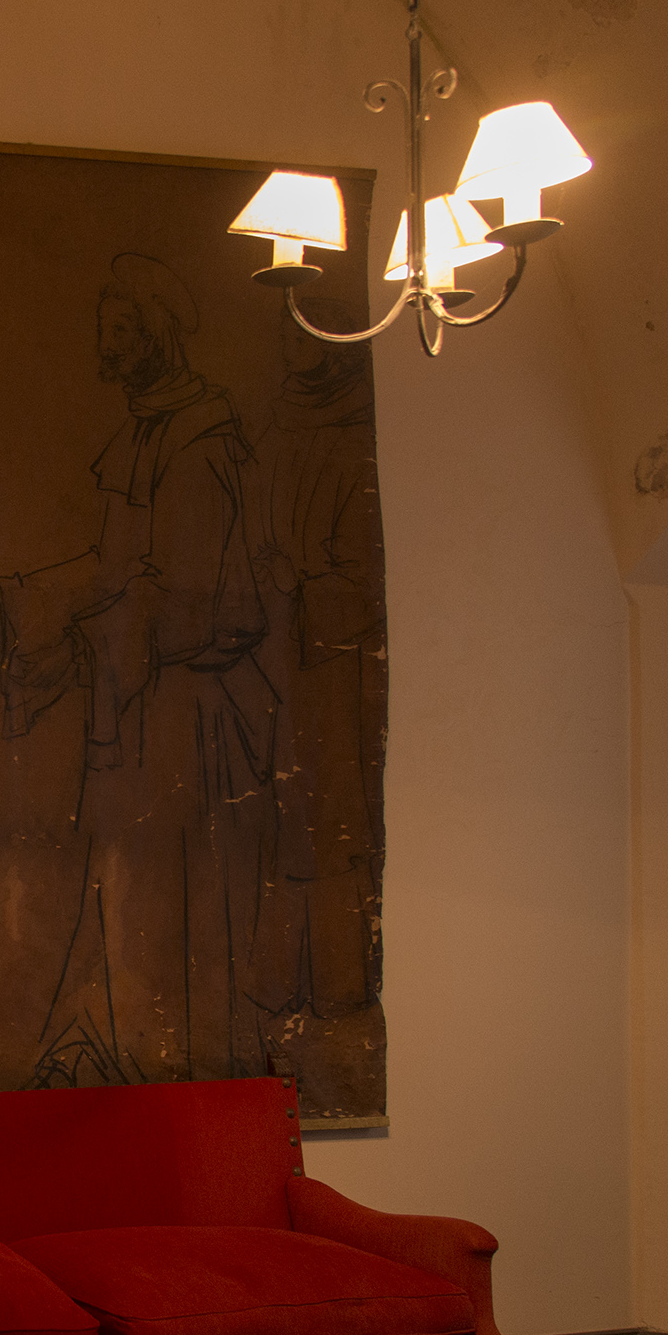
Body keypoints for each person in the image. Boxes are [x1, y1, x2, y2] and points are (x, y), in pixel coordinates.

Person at [0, 253, 277, 1085]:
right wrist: (21, 592)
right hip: (135, 697)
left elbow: (180, 594)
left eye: (122, 330)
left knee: (167, 893)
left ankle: (174, 1073)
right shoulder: (144, 432)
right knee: (121, 885)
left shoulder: (195, 442)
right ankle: (122, 1054)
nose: (108, 347)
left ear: (157, 334)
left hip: (179, 708)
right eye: (102, 331)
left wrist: (75, 641)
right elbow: (113, 565)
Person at [248, 305, 384, 1025]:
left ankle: (336, 987)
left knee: (328, 832)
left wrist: (295, 585)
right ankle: (278, 986)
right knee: (277, 829)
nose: (288, 343)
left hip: (325, 669)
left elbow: (362, 584)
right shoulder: (276, 429)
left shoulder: (352, 438)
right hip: (272, 658)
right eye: (283, 330)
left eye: (303, 331)